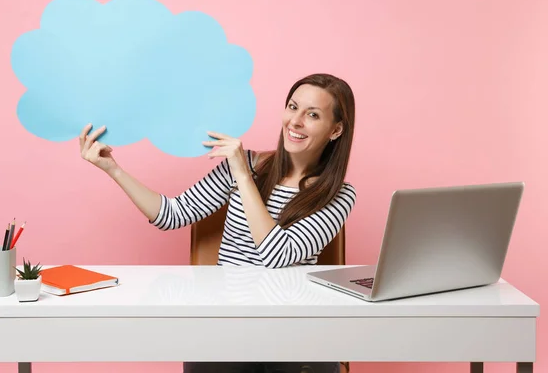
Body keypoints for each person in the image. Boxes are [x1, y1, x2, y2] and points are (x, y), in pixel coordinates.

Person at [79, 73, 357, 373]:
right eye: (292, 107)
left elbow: (277, 256)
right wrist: (113, 170)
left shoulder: (338, 194)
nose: (295, 121)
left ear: (335, 129)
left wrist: (242, 176)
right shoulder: (245, 163)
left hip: (293, 326)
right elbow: (172, 215)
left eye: (313, 115)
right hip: (228, 319)